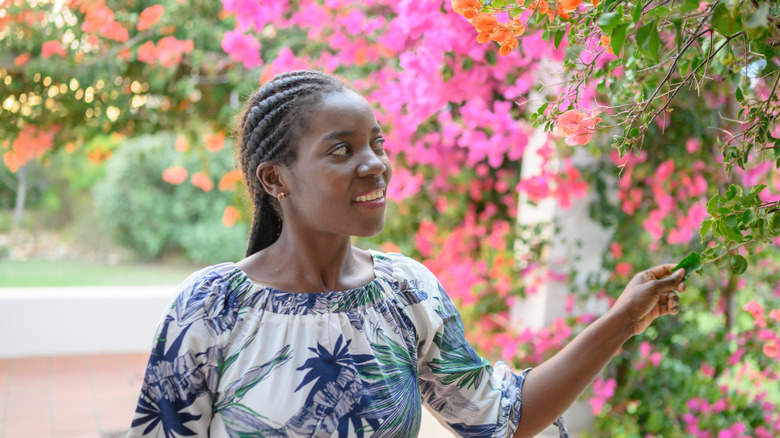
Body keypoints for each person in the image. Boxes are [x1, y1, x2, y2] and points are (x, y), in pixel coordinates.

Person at [127, 70, 686, 438]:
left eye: (377, 143)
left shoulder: (405, 291)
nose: (374, 164)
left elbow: (499, 414)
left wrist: (622, 321)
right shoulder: (212, 307)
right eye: (342, 149)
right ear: (276, 178)